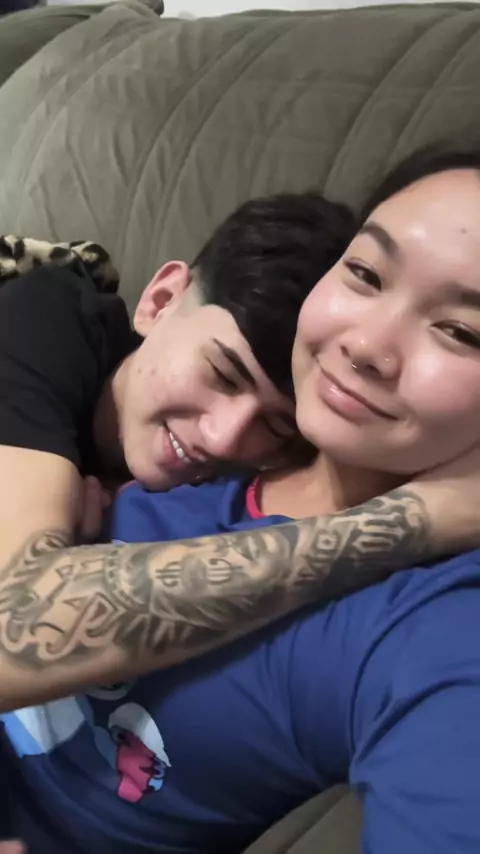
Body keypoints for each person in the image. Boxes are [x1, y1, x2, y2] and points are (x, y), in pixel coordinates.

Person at [4, 148, 480, 854]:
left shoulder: (438, 629)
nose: (366, 345)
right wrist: (429, 513)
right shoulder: (201, 460)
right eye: (364, 273)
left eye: (462, 331)